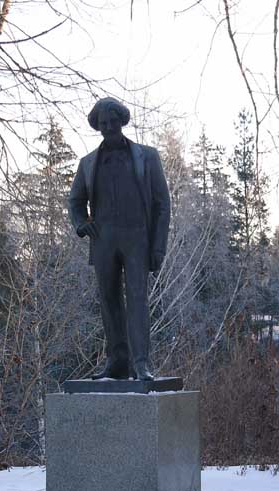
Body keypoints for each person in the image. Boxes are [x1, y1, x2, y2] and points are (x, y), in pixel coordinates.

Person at [68, 98, 171, 380]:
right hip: (103, 240)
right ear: (97, 126)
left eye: (113, 121)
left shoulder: (147, 157)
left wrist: (158, 247)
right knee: (109, 299)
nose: (109, 127)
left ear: (122, 121)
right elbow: (75, 201)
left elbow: (162, 205)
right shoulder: (88, 163)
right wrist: (81, 223)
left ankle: (141, 363)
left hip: (137, 237)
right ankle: (117, 362)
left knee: (138, 299)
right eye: (103, 123)